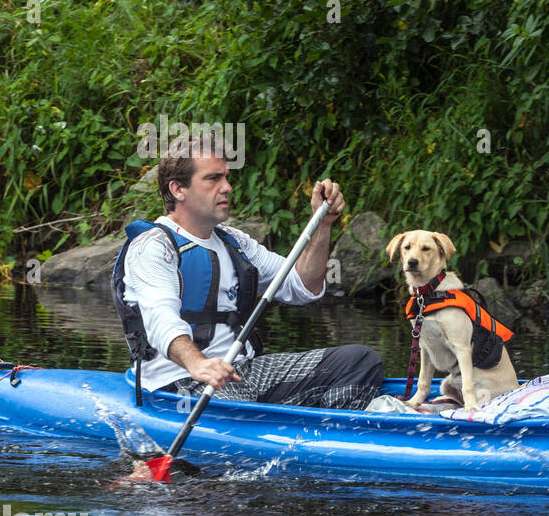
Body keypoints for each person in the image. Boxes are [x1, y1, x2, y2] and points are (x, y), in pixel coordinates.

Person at [112, 133, 383, 410]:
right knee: (236, 405)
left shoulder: (234, 242)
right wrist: (199, 364)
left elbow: (302, 285)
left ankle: (330, 432)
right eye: (213, 179)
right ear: (178, 190)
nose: (227, 187)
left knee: (360, 360)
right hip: (181, 383)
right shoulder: (153, 246)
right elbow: (161, 320)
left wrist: (322, 224)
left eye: (227, 178)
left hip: (242, 373)